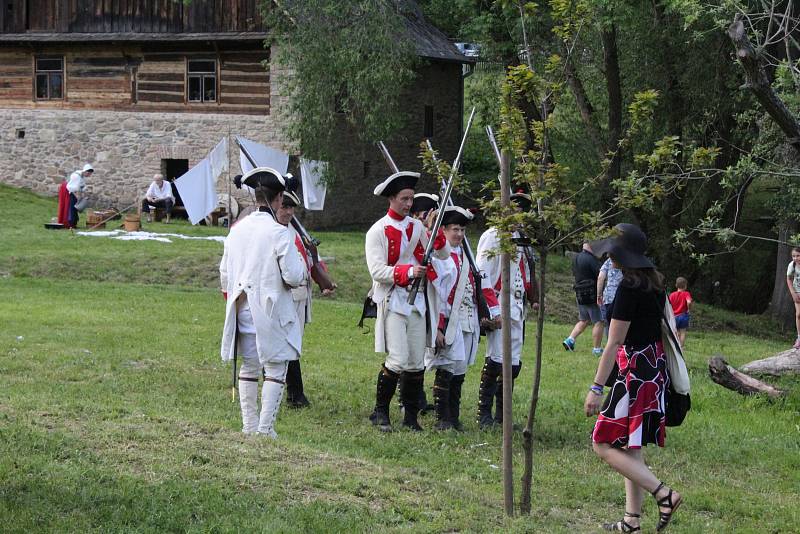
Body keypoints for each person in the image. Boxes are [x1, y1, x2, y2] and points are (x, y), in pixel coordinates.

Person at [584, 223, 683, 533]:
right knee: (631, 447)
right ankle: (631, 521)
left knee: (601, 443)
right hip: (653, 370)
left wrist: (596, 387)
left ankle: (663, 493)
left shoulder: (628, 286)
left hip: (634, 374)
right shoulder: (654, 284)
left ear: (620, 254)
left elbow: (613, 342)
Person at [219, 167, 306, 438]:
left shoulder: (237, 230)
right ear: (279, 198)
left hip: (241, 307)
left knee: (250, 366)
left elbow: (224, 273)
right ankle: (265, 429)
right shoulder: (279, 232)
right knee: (276, 367)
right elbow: (293, 276)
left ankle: (249, 427)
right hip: (270, 309)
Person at [365, 171, 450, 432]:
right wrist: (408, 272)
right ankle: (381, 412)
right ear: (392, 198)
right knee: (398, 359)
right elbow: (377, 271)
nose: (409, 204)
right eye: (404, 199)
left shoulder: (417, 228)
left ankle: (411, 417)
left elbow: (443, 253)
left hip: (418, 301)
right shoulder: (377, 231)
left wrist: (435, 231)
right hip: (393, 300)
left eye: (411, 199)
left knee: (415, 363)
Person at [475, 192, 537, 429]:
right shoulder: (493, 236)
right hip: (500, 303)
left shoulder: (520, 238)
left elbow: (525, 271)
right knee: (496, 360)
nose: (520, 215)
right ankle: (484, 415)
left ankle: (504, 415)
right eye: (515, 209)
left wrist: (533, 297)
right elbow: (484, 275)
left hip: (517, 306)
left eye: (522, 211)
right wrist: (492, 310)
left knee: (514, 364)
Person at [276, 180, 336, 408]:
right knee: (285, 344)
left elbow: (310, 259)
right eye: (284, 207)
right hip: (286, 295)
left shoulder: (296, 231)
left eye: (292, 208)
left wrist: (323, 280)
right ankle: (294, 394)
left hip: (300, 296)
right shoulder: (275, 232)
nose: (289, 212)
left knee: (293, 344)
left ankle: (293, 393)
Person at [428, 205, 479, 430]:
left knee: (458, 369)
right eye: (454, 229)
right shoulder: (440, 256)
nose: (459, 234)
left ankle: (453, 417)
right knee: (445, 368)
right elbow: (437, 293)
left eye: (462, 230)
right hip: (445, 319)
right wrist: (437, 327)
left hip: (459, 319)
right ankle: (442, 418)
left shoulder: (464, 255)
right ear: (444, 230)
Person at [563, 242, 605, 356]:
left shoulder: (576, 258)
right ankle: (597, 349)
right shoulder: (591, 259)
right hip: (592, 295)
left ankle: (570, 340)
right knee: (599, 321)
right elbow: (600, 274)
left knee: (584, 320)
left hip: (580, 294)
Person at [597, 257, 623, 328]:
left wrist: (599, 295)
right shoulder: (628, 260)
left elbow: (600, 278)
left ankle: (610, 338)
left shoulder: (609, 260)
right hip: (622, 296)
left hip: (608, 297)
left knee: (608, 323)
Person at [66, 163, 93, 228]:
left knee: (75, 209)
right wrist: (77, 195)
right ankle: (71, 224)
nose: (89, 175)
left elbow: (82, 186)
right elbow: (71, 187)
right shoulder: (76, 176)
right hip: (71, 193)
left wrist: (85, 192)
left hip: (76, 193)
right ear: (86, 171)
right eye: (89, 174)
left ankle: (74, 223)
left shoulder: (81, 176)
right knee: (73, 208)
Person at [668, 277, 693, 348]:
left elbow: (668, 305)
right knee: (682, 332)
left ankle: (675, 345)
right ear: (685, 286)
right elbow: (689, 301)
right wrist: (689, 309)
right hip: (683, 316)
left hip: (674, 316)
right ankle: (681, 347)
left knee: (675, 331)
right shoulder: (686, 293)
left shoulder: (672, 295)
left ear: (676, 285)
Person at [786, 246, 800, 349]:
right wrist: (793, 293)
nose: (795, 258)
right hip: (797, 292)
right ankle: (799, 338)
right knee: (799, 314)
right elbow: (789, 279)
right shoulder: (792, 265)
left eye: (798, 256)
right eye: (793, 256)